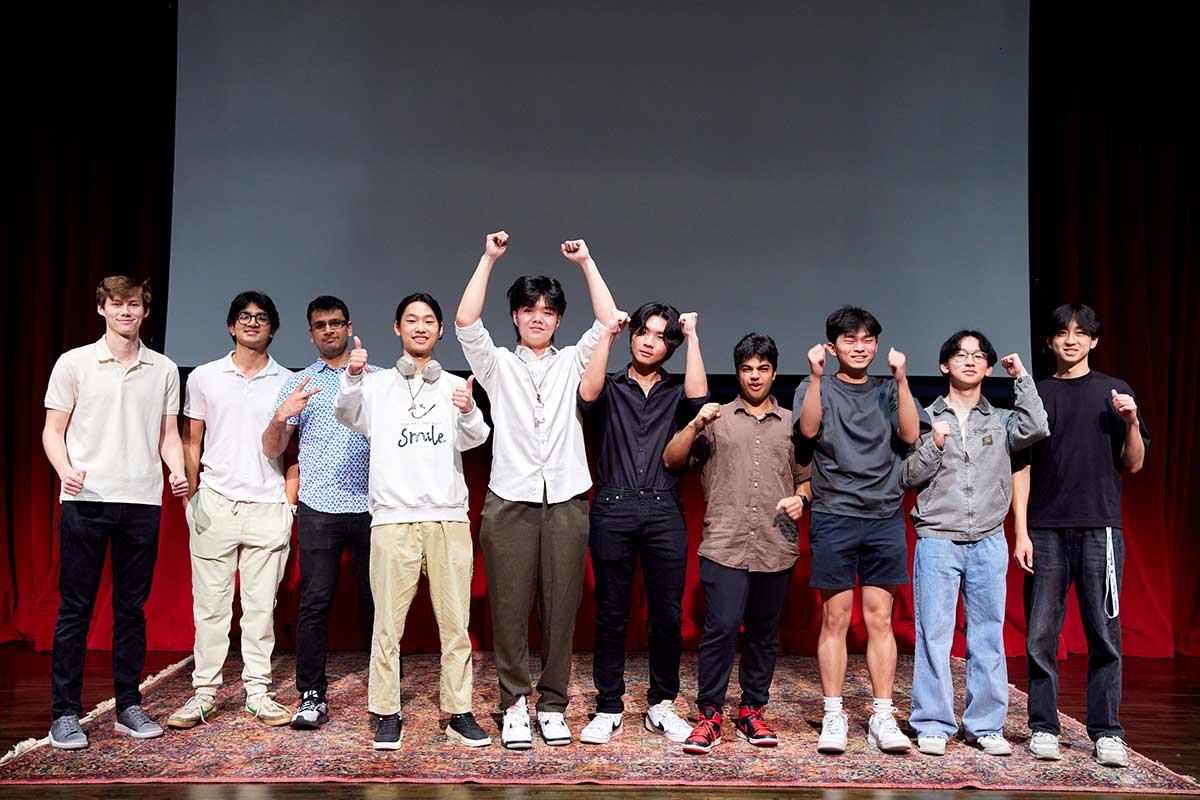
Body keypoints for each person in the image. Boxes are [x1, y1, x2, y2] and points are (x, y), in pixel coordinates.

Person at [454, 231, 616, 749]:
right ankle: (514, 704)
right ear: (517, 317)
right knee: (508, 607)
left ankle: (552, 704)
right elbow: (464, 323)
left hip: (567, 498)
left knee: (562, 606)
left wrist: (588, 261)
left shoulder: (572, 361)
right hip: (509, 499)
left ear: (558, 320)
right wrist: (488, 258)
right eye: (529, 309)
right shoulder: (497, 364)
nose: (539, 317)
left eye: (548, 310)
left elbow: (609, 321)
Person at [334, 293, 492, 750]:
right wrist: (353, 376)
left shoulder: (452, 386)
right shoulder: (376, 385)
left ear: (441, 331)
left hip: (447, 518)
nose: (420, 327)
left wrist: (467, 407)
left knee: (455, 623)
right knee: (387, 625)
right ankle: (387, 712)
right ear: (397, 329)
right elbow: (348, 414)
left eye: (428, 321)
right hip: (393, 521)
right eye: (411, 320)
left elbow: (475, 438)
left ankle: (458, 711)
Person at [42, 276, 188, 749]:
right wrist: (65, 469)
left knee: (131, 610)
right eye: (117, 304)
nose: (126, 312)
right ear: (102, 309)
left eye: (134, 305)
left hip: (141, 501)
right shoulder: (75, 363)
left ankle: (128, 704)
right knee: (75, 611)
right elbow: (52, 430)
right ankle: (64, 713)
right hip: (86, 501)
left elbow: (168, 435)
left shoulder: (164, 369)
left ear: (145, 312)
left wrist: (177, 470)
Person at [900, 331, 1048, 757]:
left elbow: (1037, 427)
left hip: (987, 539)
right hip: (937, 539)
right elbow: (907, 476)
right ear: (944, 365)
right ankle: (932, 722)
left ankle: (985, 725)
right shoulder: (925, 418)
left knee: (987, 635)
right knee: (934, 635)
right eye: (960, 355)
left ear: (988, 367)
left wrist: (1021, 377)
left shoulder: (1001, 420)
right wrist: (934, 443)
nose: (969, 361)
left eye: (978, 356)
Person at [1013, 303, 1148, 768]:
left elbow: (1134, 463)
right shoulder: (1038, 394)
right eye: (1061, 333)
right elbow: (1022, 468)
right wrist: (1022, 530)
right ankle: (1043, 726)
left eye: (1080, 333)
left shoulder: (1115, 391)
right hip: (1046, 530)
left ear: (1093, 341)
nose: (1070, 340)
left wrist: (1130, 421)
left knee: (1104, 634)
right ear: (1050, 342)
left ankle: (1107, 731)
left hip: (1100, 530)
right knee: (1041, 636)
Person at [664, 333, 810, 754]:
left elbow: (808, 478)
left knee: (764, 635)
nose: (755, 376)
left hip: (775, 543)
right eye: (747, 369)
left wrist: (802, 499)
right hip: (725, 543)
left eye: (763, 368)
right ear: (738, 372)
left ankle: (751, 710)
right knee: (721, 630)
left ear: (774, 373)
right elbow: (672, 461)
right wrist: (694, 424)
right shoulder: (716, 419)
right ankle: (709, 714)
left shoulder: (792, 424)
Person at [793, 305, 924, 754]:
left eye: (867, 339)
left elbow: (909, 436)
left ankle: (882, 716)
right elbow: (807, 432)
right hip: (833, 513)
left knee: (880, 619)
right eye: (849, 339)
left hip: (884, 513)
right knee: (835, 619)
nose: (860, 347)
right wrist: (814, 376)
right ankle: (834, 714)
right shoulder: (816, 386)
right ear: (832, 346)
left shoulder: (890, 390)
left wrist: (903, 379)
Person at [577, 303, 709, 745]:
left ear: (669, 346)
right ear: (632, 335)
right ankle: (609, 705)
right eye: (643, 332)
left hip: (663, 507)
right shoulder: (612, 386)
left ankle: (661, 704)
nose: (649, 341)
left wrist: (692, 337)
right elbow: (587, 394)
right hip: (612, 505)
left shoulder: (675, 391)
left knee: (667, 615)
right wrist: (608, 335)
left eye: (660, 336)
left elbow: (698, 401)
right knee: (612, 613)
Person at [261, 295, 396, 729]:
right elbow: (272, 449)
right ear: (311, 333)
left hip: (374, 507)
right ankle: (312, 695)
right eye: (320, 325)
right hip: (320, 508)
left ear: (349, 325)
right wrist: (281, 418)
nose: (329, 330)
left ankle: (384, 694)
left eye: (336, 323)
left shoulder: (378, 380)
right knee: (315, 603)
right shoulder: (300, 384)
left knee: (378, 602)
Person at [167, 292, 297, 729]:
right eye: (245, 316)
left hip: (267, 503)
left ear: (273, 328)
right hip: (215, 503)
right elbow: (192, 440)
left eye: (262, 318)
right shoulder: (204, 377)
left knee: (260, 607)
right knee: (210, 607)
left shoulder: (287, 380)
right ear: (230, 325)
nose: (253, 323)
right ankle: (204, 693)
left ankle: (257, 692)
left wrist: (289, 503)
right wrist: (193, 495)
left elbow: (291, 448)